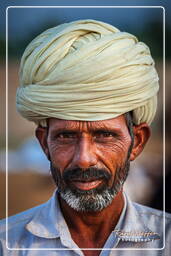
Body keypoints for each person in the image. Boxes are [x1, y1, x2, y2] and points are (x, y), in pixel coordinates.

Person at [0, 19, 170, 256]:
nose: (84, 159)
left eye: (104, 136)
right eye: (66, 136)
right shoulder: (8, 244)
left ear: (137, 141)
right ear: (43, 143)